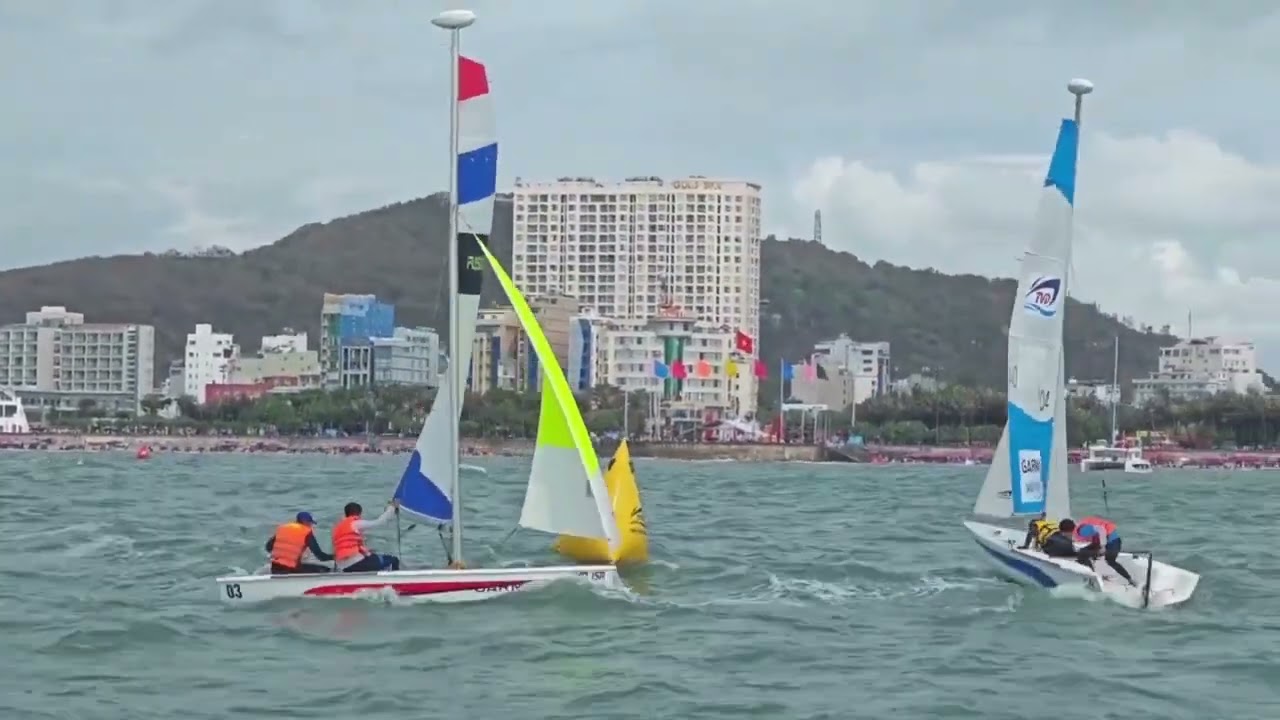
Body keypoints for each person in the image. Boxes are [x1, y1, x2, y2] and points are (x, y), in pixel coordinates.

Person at [333, 499, 402, 573]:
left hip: (342, 566)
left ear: (346, 513)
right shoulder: (355, 523)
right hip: (356, 564)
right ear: (359, 513)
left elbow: (347, 546)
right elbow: (379, 522)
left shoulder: (338, 527)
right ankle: (395, 580)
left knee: (373, 556)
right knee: (393, 560)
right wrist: (392, 508)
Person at [1073, 515, 1137, 586]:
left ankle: (1130, 579)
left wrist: (1103, 546)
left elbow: (1101, 529)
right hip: (1102, 540)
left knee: (1110, 560)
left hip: (1112, 541)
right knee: (1083, 553)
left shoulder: (1081, 530)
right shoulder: (1081, 528)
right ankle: (1094, 575)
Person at [265, 512, 334, 574]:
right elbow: (320, 556)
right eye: (310, 523)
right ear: (306, 522)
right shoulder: (306, 532)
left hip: (275, 567)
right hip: (290, 569)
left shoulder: (283, 528)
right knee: (325, 570)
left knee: (302, 565)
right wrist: (335, 557)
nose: (311, 526)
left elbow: (268, 547)